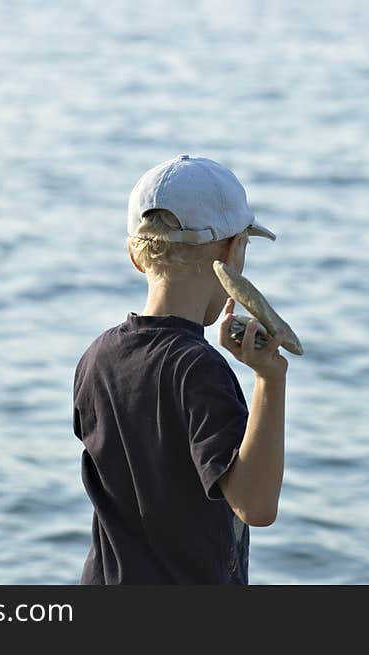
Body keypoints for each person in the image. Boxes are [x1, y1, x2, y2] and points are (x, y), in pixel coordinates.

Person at [73, 154, 289, 584]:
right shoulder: (199, 368)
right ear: (232, 252)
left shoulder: (97, 357)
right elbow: (256, 506)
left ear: (137, 257)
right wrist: (270, 378)